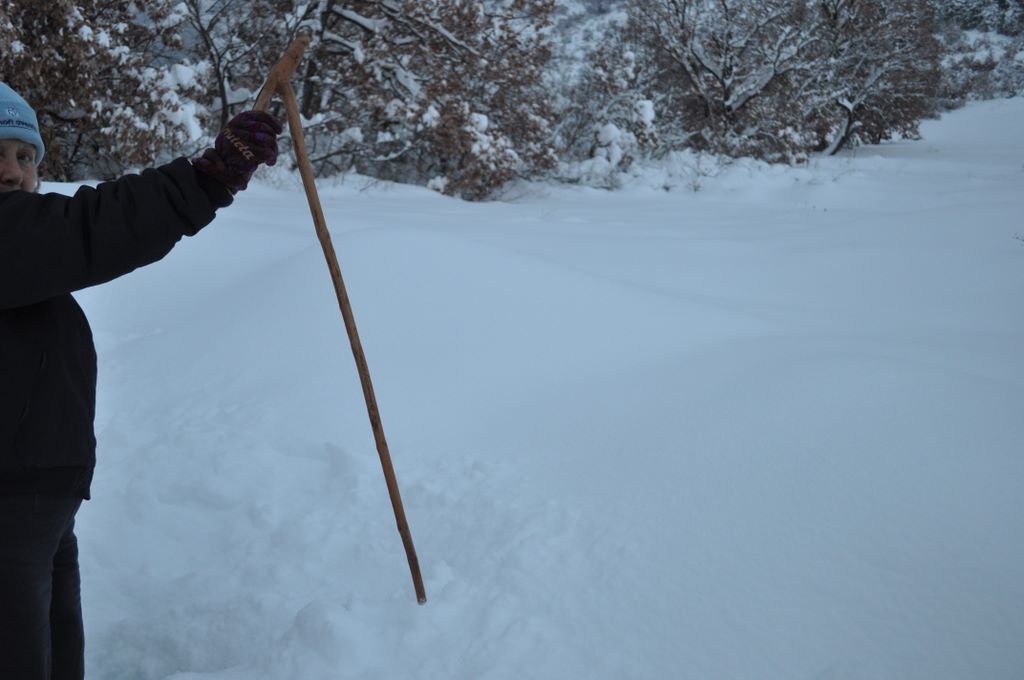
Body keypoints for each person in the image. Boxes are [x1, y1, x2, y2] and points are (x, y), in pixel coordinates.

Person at [0, 80, 283, 679]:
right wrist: (206, 178)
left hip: (39, 495)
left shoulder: (20, 251)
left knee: (54, 649)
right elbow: (90, 228)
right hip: (10, 502)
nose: (12, 171)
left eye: (24, 155)